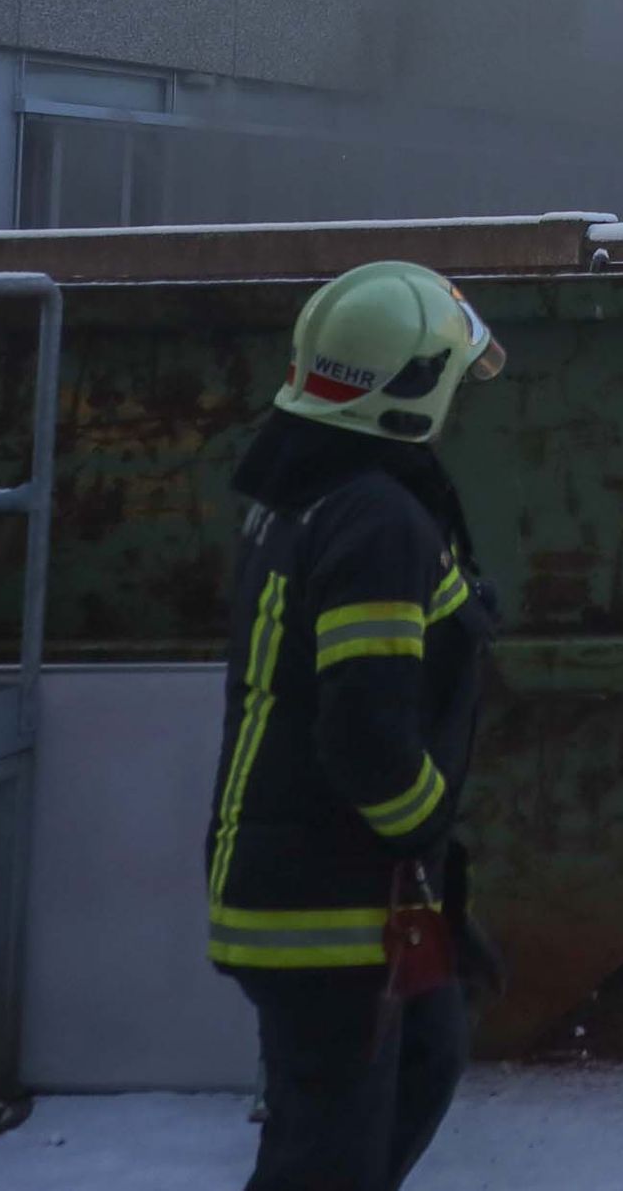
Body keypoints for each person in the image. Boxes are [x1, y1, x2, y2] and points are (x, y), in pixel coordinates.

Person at [206, 260, 508, 1191]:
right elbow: (366, 740)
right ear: (414, 390)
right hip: (329, 913)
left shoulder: (310, 490)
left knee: (426, 1058)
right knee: (326, 1158)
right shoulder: (375, 518)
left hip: (328, 893)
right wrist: (423, 827)